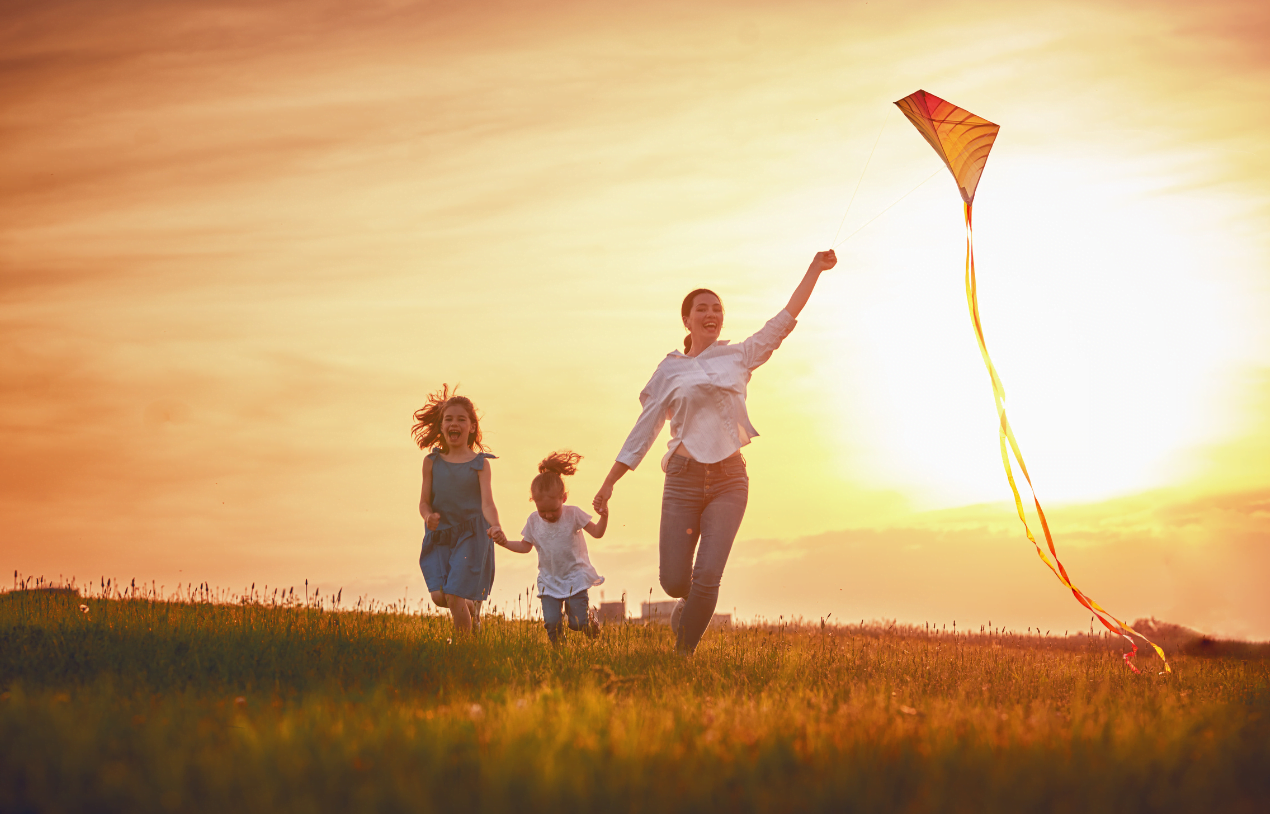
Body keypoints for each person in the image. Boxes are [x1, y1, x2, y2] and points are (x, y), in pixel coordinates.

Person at [592, 250, 838, 654]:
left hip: (729, 480)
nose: (711, 314)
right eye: (702, 308)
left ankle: (684, 651)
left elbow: (785, 320)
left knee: (708, 575)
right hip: (683, 480)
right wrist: (610, 482)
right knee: (674, 580)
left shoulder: (739, 355)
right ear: (686, 320)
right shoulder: (669, 369)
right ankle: (686, 608)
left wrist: (814, 270)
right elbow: (645, 429)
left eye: (717, 309)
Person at [413, 384, 510, 636]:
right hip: (440, 534)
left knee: (454, 594)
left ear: (472, 426)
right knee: (439, 596)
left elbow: (487, 503)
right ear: (441, 426)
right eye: (448, 419)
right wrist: (428, 516)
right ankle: (470, 608)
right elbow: (424, 501)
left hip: (472, 534)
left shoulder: (480, 465)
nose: (454, 423)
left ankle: (464, 649)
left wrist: (496, 525)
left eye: (461, 419)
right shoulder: (431, 463)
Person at [501, 451, 608, 643]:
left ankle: (590, 621)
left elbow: (598, 533)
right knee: (551, 623)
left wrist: (604, 516)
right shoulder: (533, 521)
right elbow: (525, 547)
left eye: (553, 510)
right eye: (543, 511)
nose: (548, 515)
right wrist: (504, 542)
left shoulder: (573, 514)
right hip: (549, 581)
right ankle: (560, 654)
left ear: (563, 498)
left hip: (576, 577)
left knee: (577, 623)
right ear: (534, 503)